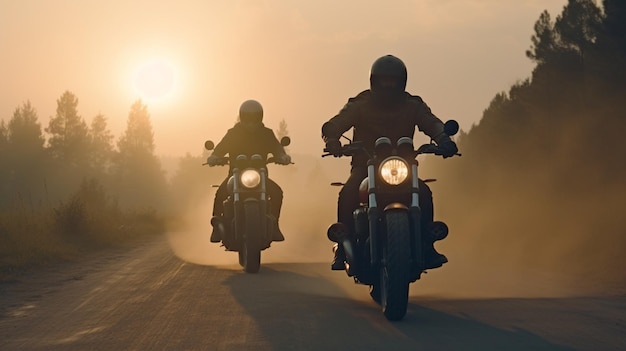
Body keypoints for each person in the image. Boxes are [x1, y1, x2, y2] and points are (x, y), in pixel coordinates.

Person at [321, 54, 458, 270]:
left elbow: (431, 123)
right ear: (374, 81)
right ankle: (342, 246)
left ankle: (427, 245)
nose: (388, 85)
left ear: (402, 82)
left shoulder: (413, 105)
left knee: (423, 193)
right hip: (366, 166)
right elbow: (339, 121)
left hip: (404, 166)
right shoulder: (360, 104)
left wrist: (444, 139)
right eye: (384, 80)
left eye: (393, 81)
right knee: (348, 192)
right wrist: (332, 138)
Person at [207, 99, 291, 243]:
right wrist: (214, 157)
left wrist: (282, 156)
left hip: (260, 178)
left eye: (255, 118)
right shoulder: (233, 134)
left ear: (261, 117)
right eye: (248, 118)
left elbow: (277, 148)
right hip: (235, 176)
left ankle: (275, 224)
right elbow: (220, 148)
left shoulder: (267, 134)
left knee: (277, 192)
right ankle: (216, 228)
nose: (251, 122)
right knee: (220, 193)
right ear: (242, 117)